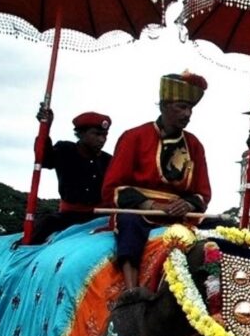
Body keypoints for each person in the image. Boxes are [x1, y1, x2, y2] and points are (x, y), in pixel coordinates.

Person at [103, 71, 216, 289]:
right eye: (181, 107)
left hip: (180, 215)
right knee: (128, 223)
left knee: (224, 229)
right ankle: (132, 292)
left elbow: (203, 193)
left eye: (190, 108)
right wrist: (151, 205)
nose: (187, 114)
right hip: (140, 212)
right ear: (163, 106)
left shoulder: (194, 145)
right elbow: (113, 188)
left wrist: (188, 204)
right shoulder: (133, 137)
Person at [29, 105, 112, 243]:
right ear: (81, 133)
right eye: (97, 134)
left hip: (102, 215)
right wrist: (46, 127)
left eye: (104, 135)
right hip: (70, 216)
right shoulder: (65, 150)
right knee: (44, 225)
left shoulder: (109, 160)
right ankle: (24, 256)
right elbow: (44, 159)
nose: (102, 139)